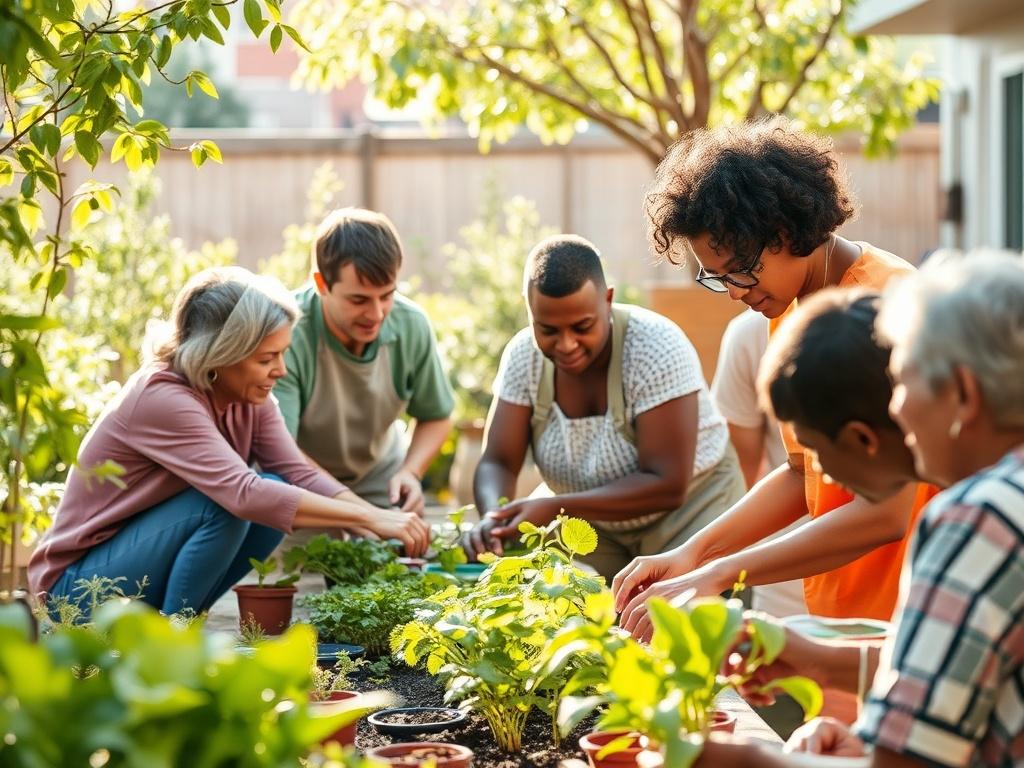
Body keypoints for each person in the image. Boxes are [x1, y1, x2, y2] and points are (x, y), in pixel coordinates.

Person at [698, 252, 1024, 768]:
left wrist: (746, 761)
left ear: (962, 394)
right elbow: (959, 670)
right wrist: (822, 662)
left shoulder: (977, 519)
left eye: (903, 381)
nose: (893, 409)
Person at [614, 117, 935, 639]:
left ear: (784, 235)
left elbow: (885, 513)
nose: (735, 292)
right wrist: (693, 552)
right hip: (845, 615)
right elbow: (799, 470)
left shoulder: (886, 306)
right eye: (715, 278)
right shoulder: (791, 305)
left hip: (913, 612)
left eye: (738, 272)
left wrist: (717, 573)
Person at [28, 267, 430, 616]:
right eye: (266, 358)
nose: (281, 370)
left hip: (132, 571)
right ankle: (175, 640)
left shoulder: (247, 397)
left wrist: (376, 518)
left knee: (271, 490)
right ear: (221, 355)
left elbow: (296, 470)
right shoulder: (163, 397)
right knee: (231, 503)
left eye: (283, 354)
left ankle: (173, 628)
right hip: (76, 589)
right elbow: (241, 493)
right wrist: (370, 518)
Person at [463, 234, 745, 581]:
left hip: (691, 513)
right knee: (568, 613)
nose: (566, 344)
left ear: (607, 300)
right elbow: (499, 461)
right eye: (548, 329)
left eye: (583, 327)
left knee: (693, 623)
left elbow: (666, 483)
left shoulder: (655, 346)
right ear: (529, 308)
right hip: (593, 524)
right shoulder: (524, 357)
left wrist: (555, 506)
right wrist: (495, 516)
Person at [272, 207, 454, 515]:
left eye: (386, 295)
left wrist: (410, 472)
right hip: (301, 488)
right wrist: (364, 515)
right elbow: (281, 452)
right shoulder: (287, 335)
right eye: (359, 300)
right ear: (321, 284)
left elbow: (436, 416)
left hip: (381, 482)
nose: (377, 314)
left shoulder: (411, 325)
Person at [711, 308, 804, 620]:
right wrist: (704, 561)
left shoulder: (893, 300)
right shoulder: (749, 334)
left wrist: (714, 569)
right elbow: (744, 477)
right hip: (784, 580)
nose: (733, 292)